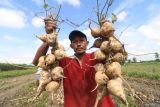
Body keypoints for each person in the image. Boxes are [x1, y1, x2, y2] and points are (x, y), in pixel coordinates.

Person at [32, 30, 115, 107]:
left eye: (82, 40)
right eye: (75, 42)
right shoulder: (64, 61)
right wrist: (47, 41)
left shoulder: (97, 57)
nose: (78, 44)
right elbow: (36, 63)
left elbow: (113, 49)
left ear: (87, 43)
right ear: (71, 46)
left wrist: (106, 33)